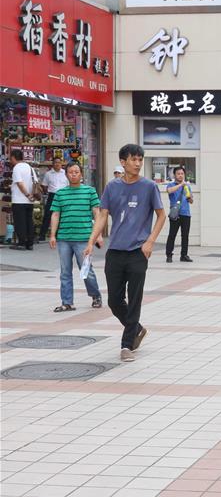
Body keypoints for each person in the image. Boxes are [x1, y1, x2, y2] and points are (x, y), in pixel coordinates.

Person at [84, 144, 166, 363]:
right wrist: (92, 240)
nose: (138, 164)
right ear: (123, 162)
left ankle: (126, 344)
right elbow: (102, 216)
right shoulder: (112, 187)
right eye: (133, 160)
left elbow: (161, 216)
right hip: (115, 251)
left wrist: (150, 241)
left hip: (138, 251)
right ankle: (136, 328)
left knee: (135, 298)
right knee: (114, 301)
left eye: (140, 160)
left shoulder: (149, 187)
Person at [48, 161, 103, 311]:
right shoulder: (60, 193)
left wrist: (97, 235)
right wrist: (52, 235)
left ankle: (95, 295)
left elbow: (97, 213)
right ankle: (67, 302)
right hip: (64, 238)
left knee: (86, 270)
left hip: (84, 238)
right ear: (66, 175)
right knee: (65, 271)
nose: (74, 174)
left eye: (76, 172)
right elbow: (55, 214)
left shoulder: (90, 191)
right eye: (71, 172)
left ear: (81, 174)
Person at [165, 166, 193, 263]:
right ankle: (169, 255)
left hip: (186, 214)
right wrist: (180, 185)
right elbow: (169, 191)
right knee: (172, 235)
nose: (180, 175)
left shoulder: (187, 186)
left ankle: (184, 255)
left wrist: (190, 198)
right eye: (178, 174)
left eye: (182, 174)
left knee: (185, 236)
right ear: (175, 175)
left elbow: (191, 200)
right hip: (175, 214)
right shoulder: (171, 185)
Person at [9, 149, 36, 250]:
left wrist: (27, 194)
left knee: (20, 221)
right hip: (29, 201)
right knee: (29, 221)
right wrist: (31, 196)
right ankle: (30, 243)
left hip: (19, 200)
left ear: (13, 157)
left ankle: (22, 243)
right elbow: (35, 183)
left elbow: (20, 183)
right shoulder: (30, 168)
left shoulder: (17, 168)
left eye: (10, 158)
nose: (10, 160)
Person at [39, 157, 68, 241]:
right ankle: (42, 235)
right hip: (52, 196)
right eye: (55, 162)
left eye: (59, 162)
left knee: (63, 216)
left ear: (61, 164)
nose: (57, 164)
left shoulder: (65, 173)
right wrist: (47, 192)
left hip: (63, 196)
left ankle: (60, 235)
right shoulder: (48, 174)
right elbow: (44, 185)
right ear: (53, 164)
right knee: (47, 215)